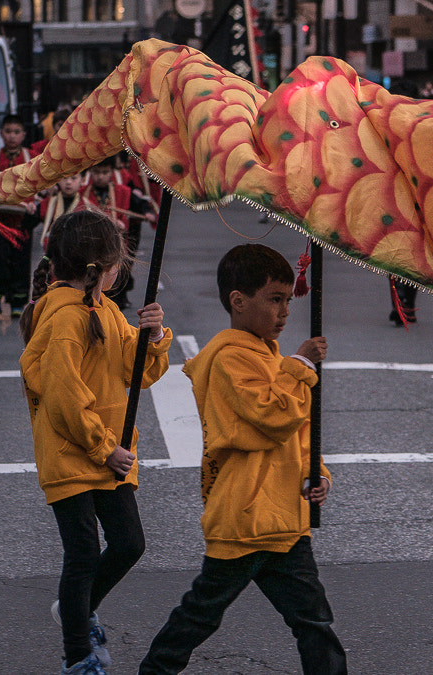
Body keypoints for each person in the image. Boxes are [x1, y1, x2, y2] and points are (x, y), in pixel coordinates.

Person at [139, 243, 345, 675]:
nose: (285, 311)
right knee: (200, 615)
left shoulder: (268, 352)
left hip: (284, 516)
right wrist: (301, 366)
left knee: (314, 622)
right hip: (245, 515)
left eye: (288, 300)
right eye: (274, 299)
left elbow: (297, 434)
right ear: (238, 300)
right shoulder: (230, 357)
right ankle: (154, 671)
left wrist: (316, 472)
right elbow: (271, 418)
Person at [19, 209, 172, 675]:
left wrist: (154, 336)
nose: (120, 270)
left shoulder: (103, 308)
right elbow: (64, 396)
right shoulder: (65, 318)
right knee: (83, 553)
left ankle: (77, 610)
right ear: (101, 269)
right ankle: (78, 655)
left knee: (128, 543)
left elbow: (137, 373)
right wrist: (104, 447)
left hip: (107, 454)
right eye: (117, 262)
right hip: (76, 453)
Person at [0, 114, 35, 318]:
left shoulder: (34, 159)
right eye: (8, 132)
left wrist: (32, 205)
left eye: (16, 132)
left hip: (23, 220)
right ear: (1, 134)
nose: (12, 136)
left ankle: (18, 302)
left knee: (21, 260)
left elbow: (43, 187)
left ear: (24, 135)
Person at [81, 156, 151, 309]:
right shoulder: (81, 193)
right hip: (91, 244)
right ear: (90, 172)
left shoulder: (123, 191)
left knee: (115, 277)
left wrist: (146, 212)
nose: (100, 176)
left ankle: (115, 307)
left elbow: (140, 204)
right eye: (96, 172)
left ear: (112, 172)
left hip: (115, 245)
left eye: (105, 172)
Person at [38, 173, 86, 249]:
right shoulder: (47, 203)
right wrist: (29, 212)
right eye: (64, 178)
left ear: (83, 180)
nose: (68, 182)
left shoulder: (87, 207)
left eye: (73, 178)